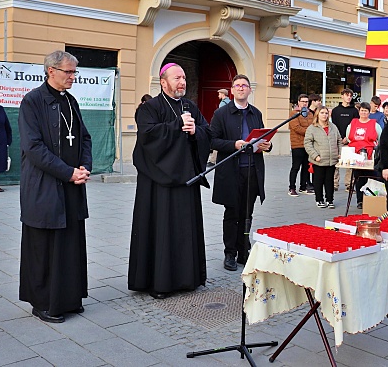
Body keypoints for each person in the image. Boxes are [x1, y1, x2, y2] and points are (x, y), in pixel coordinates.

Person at [18, 51, 92, 323]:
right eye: (68, 72)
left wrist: (84, 167)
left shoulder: (71, 100)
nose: (73, 77)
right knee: (45, 246)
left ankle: (69, 298)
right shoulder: (32, 101)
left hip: (72, 184)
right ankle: (43, 303)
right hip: (44, 186)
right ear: (51, 71)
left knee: (70, 243)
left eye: (75, 72)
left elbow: (84, 137)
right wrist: (68, 172)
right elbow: (33, 148)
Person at [129, 63, 212, 298]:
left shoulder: (190, 106)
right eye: (177, 78)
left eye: (184, 78)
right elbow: (148, 136)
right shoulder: (150, 108)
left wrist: (196, 132)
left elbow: (208, 131)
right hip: (159, 184)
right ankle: (159, 283)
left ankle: (188, 279)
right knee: (161, 231)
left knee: (186, 231)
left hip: (186, 181)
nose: (182, 82)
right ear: (163, 82)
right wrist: (177, 126)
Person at [210, 74, 273, 272]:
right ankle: (229, 253)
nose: (241, 88)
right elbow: (212, 140)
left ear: (249, 90)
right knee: (232, 213)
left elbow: (263, 138)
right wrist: (234, 145)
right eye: (237, 86)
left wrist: (267, 146)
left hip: (252, 170)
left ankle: (243, 250)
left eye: (244, 86)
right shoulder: (221, 114)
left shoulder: (256, 113)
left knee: (247, 213)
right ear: (232, 90)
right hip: (230, 172)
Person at [345, 102, 381, 209]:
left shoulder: (375, 124)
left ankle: (370, 199)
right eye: (362, 110)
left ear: (369, 112)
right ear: (359, 111)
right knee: (359, 178)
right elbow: (348, 137)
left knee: (372, 177)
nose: (364, 113)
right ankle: (360, 201)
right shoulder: (353, 123)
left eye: (366, 111)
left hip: (370, 156)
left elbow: (380, 138)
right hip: (356, 156)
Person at [304, 105, 342, 208]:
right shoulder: (312, 128)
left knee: (330, 181)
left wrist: (340, 153)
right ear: (317, 114)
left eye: (326, 113)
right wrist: (315, 156)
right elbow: (307, 143)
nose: (324, 115)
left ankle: (330, 200)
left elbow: (339, 140)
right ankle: (319, 199)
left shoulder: (333, 127)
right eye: (322, 113)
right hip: (319, 160)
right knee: (318, 181)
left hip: (332, 159)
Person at [332, 88, 359, 191]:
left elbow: (355, 126)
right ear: (342, 96)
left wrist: (347, 138)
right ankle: (334, 184)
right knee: (336, 163)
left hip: (350, 141)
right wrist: (340, 138)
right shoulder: (335, 111)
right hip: (337, 140)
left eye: (350, 96)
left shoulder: (354, 111)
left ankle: (349, 184)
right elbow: (334, 126)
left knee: (350, 163)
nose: (348, 97)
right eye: (347, 95)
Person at [288, 94, 314, 196]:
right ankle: (292, 188)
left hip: (308, 144)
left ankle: (303, 186)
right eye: (303, 101)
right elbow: (296, 128)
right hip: (297, 144)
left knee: (306, 167)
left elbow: (313, 125)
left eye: (306, 102)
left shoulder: (310, 114)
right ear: (298, 102)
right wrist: (310, 133)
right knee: (296, 167)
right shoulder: (294, 114)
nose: (305, 103)